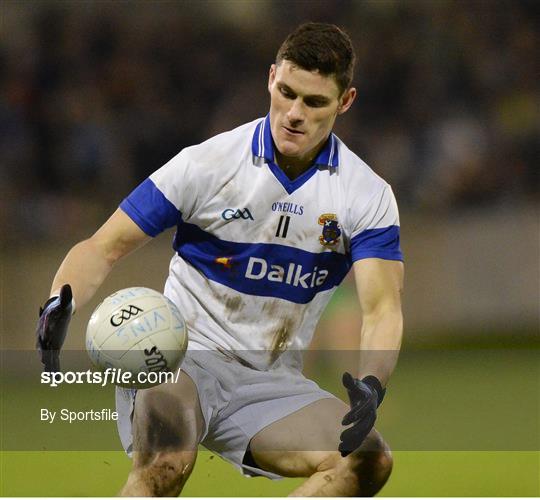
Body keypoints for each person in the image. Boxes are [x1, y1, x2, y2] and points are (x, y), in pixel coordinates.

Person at [36, 22, 404, 496]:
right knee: (165, 465)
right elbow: (102, 246)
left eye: (314, 102)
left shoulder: (365, 195)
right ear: (271, 77)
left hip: (271, 384)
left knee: (368, 462)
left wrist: (373, 383)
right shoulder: (208, 165)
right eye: (287, 92)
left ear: (345, 101)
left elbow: (382, 307)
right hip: (179, 359)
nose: (294, 113)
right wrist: (57, 301)